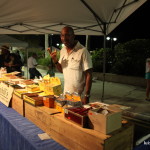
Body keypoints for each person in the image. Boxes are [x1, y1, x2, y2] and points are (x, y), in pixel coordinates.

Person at [49, 26, 93, 104]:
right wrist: (55, 60)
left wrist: (86, 95)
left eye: (67, 35)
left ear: (73, 36)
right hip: (66, 94)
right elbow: (62, 70)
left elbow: (89, 74)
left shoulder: (83, 51)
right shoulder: (62, 50)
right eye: (62, 35)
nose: (64, 38)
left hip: (78, 97)